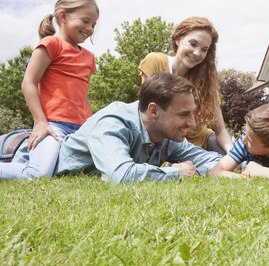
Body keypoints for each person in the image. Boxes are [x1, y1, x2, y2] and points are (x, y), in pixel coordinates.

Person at [53, 72, 221, 184]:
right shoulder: (113, 122)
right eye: (184, 114)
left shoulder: (167, 134)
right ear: (154, 111)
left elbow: (207, 160)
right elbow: (119, 175)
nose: (192, 123)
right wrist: (176, 173)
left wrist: (243, 163)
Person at [0, 0, 99, 180]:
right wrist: (41, 122)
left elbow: (84, 95)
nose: (90, 28)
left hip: (81, 129)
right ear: (63, 16)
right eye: (86, 21)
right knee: (39, 173)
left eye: (93, 24)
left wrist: (91, 124)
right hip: (54, 127)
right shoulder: (51, 44)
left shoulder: (89, 57)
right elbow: (28, 83)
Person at [138, 17, 233, 155]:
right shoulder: (155, 62)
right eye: (193, 44)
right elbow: (146, 116)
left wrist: (233, 155)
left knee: (237, 163)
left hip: (204, 142)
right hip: (167, 144)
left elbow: (221, 131)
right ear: (178, 39)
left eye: (204, 49)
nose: (197, 53)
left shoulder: (206, 82)